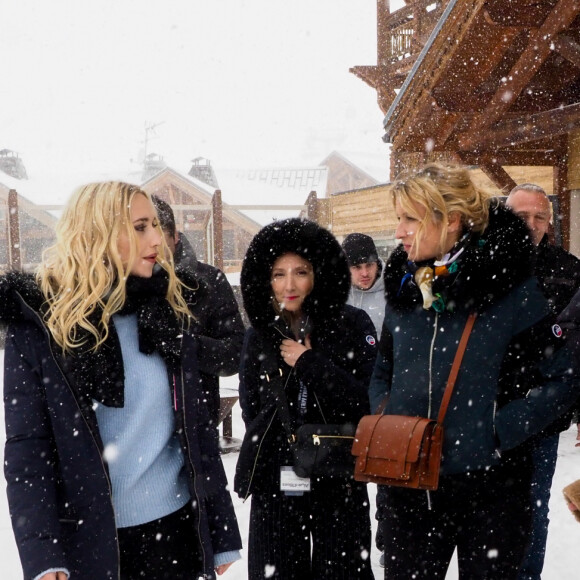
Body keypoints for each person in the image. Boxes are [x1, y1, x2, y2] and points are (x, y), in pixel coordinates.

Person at [1, 182, 241, 580]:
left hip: (177, 535)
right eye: (140, 227)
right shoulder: (41, 329)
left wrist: (220, 529)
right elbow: (28, 452)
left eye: (154, 226)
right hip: (91, 544)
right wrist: (43, 553)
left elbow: (195, 433)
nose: (155, 239)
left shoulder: (167, 308)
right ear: (98, 236)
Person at [369, 163, 579, 579]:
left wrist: (496, 431)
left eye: (410, 218)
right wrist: (388, 415)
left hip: (493, 494)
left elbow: (564, 379)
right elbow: (383, 370)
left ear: (451, 220)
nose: (399, 232)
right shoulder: (405, 287)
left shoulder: (513, 289)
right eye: (399, 219)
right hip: (409, 488)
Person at [234, 217, 377, 579]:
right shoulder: (258, 337)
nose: (289, 284)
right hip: (277, 477)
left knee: (343, 571)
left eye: (300, 272)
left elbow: (366, 402)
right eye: (279, 274)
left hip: (338, 472)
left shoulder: (353, 324)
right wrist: (287, 450)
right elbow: (252, 409)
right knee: (276, 572)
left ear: (319, 275)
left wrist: (310, 362)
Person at [506, 183, 580, 580]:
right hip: (485, 413)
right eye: (522, 216)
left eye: (539, 217)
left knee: (534, 507)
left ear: (549, 222)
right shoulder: (479, 265)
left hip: (543, 415)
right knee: (484, 508)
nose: (531, 225)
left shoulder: (570, 270)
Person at [152, 195, 245, 426]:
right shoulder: (119, 288)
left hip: (196, 425)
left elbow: (235, 354)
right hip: (134, 433)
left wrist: (188, 345)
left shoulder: (209, 281)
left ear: (175, 236)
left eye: (158, 237)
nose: (150, 246)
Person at [342, 233, 386, 340]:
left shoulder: (394, 293)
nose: (365, 273)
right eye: (357, 267)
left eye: (369, 265)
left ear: (377, 264)